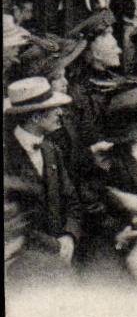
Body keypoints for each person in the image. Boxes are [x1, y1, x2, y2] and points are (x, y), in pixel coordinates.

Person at [3, 77, 81, 267]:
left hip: (60, 257)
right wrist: (54, 246)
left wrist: (69, 236)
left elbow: (71, 200)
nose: (60, 113)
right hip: (21, 262)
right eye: (54, 109)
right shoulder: (6, 154)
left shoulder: (51, 150)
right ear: (36, 117)